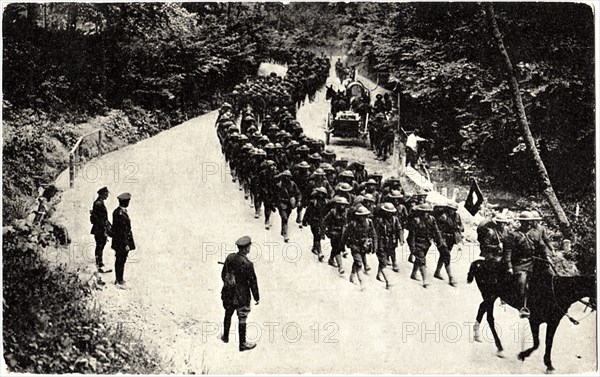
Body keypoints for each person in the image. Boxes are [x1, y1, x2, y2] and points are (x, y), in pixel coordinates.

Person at [503, 211, 552, 319]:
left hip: (533, 262)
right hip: (520, 263)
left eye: (529, 221)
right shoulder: (513, 235)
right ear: (521, 222)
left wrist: (547, 257)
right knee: (521, 282)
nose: (528, 224)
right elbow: (508, 252)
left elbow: (542, 247)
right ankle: (522, 307)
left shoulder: (535, 233)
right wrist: (509, 267)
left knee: (549, 277)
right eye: (525, 222)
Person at [221, 236, 260, 352]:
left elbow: (223, 274)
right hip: (242, 295)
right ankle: (242, 344)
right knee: (242, 316)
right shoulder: (248, 264)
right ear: (246, 249)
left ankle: (225, 337)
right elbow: (253, 282)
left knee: (228, 313)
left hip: (228, 292)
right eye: (249, 247)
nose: (249, 249)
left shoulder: (230, 257)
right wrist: (256, 297)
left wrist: (229, 282)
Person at [407, 203, 446, 288]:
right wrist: (412, 248)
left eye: (427, 212)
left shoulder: (431, 219)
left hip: (427, 243)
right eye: (424, 212)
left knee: (420, 258)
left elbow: (436, 231)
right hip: (417, 243)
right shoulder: (416, 220)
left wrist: (440, 240)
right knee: (422, 260)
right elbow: (411, 236)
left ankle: (413, 274)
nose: (426, 213)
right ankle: (425, 279)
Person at [343, 205, 377, 289]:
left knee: (357, 261)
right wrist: (343, 246)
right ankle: (362, 282)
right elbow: (345, 234)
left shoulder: (369, 222)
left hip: (364, 246)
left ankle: (352, 275)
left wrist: (374, 246)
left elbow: (373, 234)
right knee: (359, 263)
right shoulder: (353, 224)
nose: (363, 218)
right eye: (361, 216)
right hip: (355, 246)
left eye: (365, 216)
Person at [433, 201, 464, 287]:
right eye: (450, 209)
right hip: (442, 238)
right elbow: (437, 228)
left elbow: (462, 227)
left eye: (454, 209)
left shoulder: (457, 216)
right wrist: (438, 239)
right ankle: (451, 277)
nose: (452, 211)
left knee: (444, 255)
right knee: (446, 255)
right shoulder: (443, 216)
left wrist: (459, 228)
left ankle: (437, 272)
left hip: (451, 238)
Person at [374, 202, 402, 289]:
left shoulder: (394, 219)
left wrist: (401, 238)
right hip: (381, 243)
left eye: (391, 212)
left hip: (390, 243)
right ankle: (388, 281)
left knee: (383, 261)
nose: (389, 214)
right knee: (383, 261)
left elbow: (399, 229)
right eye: (387, 212)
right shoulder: (379, 220)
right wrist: (375, 245)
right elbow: (375, 233)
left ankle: (378, 275)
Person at [111, 193, 135, 288]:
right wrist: (126, 244)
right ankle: (119, 280)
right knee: (120, 260)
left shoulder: (118, 212)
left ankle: (119, 278)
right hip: (121, 242)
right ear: (125, 202)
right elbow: (122, 231)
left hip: (119, 241)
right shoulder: (120, 214)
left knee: (121, 260)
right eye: (128, 201)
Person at [323, 196, 349, 274]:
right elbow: (325, 221)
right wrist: (324, 232)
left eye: (344, 205)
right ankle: (340, 267)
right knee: (337, 248)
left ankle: (331, 259)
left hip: (342, 234)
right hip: (333, 232)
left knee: (336, 248)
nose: (342, 206)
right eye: (341, 204)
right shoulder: (333, 212)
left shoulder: (346, 213)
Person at [302, 187, 329, 262]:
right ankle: (320, 253)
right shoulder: (313, 202)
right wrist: (305, 220)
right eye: (320, 193)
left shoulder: (326, 203)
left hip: (321, 222)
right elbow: (308, 211)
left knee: (318, 236)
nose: (321, 195)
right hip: (313, 221)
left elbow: (327, 213)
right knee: (316, 235)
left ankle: (314, 248)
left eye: (322, 194)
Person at [275, 170, 301, 242]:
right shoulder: (279, 185)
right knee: (284, 218)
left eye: (288, 177)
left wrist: (298, 201)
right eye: (285, 177)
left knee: (286, 217)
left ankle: (283, 230)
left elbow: (298, 193)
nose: (286, 178)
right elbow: (275, 196)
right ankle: (285, 234)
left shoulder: (293, 184)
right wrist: (275, 204)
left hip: (290, 204)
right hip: (282, 203)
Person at [90, 187, 112, 273]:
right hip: (99, 229)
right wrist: (104, 228)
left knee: (100, 245)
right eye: (106, 194)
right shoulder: (99, 204)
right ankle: (99, 264)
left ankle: (99, 263)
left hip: (99, 228)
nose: (107, 195)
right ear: (102, 194)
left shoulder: (99, 202)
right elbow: (100, 219)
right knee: (100, 245)